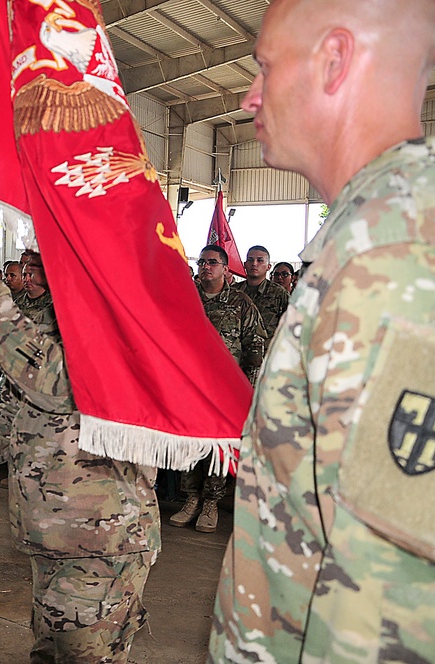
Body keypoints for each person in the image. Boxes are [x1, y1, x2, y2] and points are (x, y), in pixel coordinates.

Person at [209, 0, 435, 660]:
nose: (251, 96)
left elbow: (384, 609)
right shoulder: (371, 232)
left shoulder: (390, 258)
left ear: (335, 60)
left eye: (265, 67)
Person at [0, 232, 160, 663]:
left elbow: (57, 383)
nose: (35, 273)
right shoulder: (49, 326)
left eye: (45, 264)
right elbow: (15, 411)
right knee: (50, 653)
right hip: (51, 538)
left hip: (103, 542)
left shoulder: (126, 324)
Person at [171, 245, 266, 534]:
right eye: (201, 262)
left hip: (223, 388)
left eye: (212, 262)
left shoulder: (240, 303)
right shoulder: (185, 298)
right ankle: (192, 498)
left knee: (216, 445)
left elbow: (255, 346)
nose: (205, 267)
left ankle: (211, 502)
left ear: (225, 268)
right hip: (190, 385)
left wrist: (245, 388)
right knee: (190, 443)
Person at [238, 245, 289, 338]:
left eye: (260, 260)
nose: (254, 263)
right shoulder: (235, 291)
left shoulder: (279, 293)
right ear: (245, 265)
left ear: (268, 267)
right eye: (250, 260)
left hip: (266, 349)